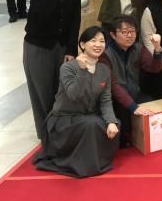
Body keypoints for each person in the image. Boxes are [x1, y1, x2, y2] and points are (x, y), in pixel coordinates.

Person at [34, 26, 120, 178]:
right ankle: (84, 164)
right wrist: (82, 70)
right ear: (82, 44)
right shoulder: (67, 68)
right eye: (93, 41)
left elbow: (105, 100)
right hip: (64, 118)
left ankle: (97, 158)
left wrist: (111, 121)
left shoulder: (104, 70)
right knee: (91, 124)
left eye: (102, 41)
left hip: (87, 115)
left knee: (115, 123)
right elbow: (74, 95)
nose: (98, 45)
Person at [23, 0, 81, 138]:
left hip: (62, 47)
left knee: (62, 91)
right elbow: (38, 21)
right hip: (38, 47)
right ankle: (46, 135)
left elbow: (75, 22)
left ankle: (60, 131)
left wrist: (71, 49)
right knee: (42, 93)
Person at [98, 15, 162, 146]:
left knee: (151, 105)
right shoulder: (105, 54)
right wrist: (133, 106)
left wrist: (157, 49)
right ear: (113, 35)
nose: (130, 35)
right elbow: (113, 85)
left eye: (132, 31)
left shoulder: (138, 48)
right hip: (113, 98)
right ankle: (122, 135)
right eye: (124, 32)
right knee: (122, 110)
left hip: (134, 93)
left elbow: (154, 68)